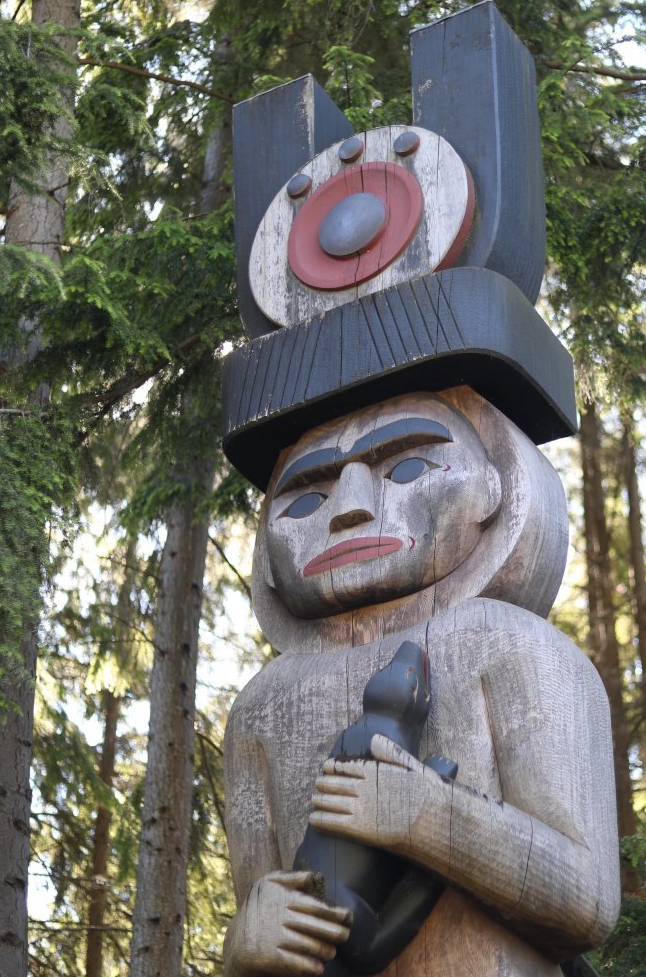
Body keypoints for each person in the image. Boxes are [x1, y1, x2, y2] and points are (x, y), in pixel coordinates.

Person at [221, 387, 619, 977]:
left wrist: (430, 817)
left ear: (493, 486)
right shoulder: (262, 707)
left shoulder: (513, 643)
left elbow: (586, 900)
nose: (350, 510)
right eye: (304, 501)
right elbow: (264, 899)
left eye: (407, 469)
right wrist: (245, 940)